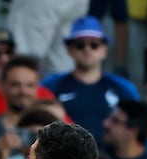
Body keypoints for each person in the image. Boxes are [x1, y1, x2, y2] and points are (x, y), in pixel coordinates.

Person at [42, 17, 139, 146]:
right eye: (80, 45)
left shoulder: (124, 88)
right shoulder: (51, 85)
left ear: (104, 49)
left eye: (94, 45)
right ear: (69, 50)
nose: (87, 50)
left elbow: (137, 127)